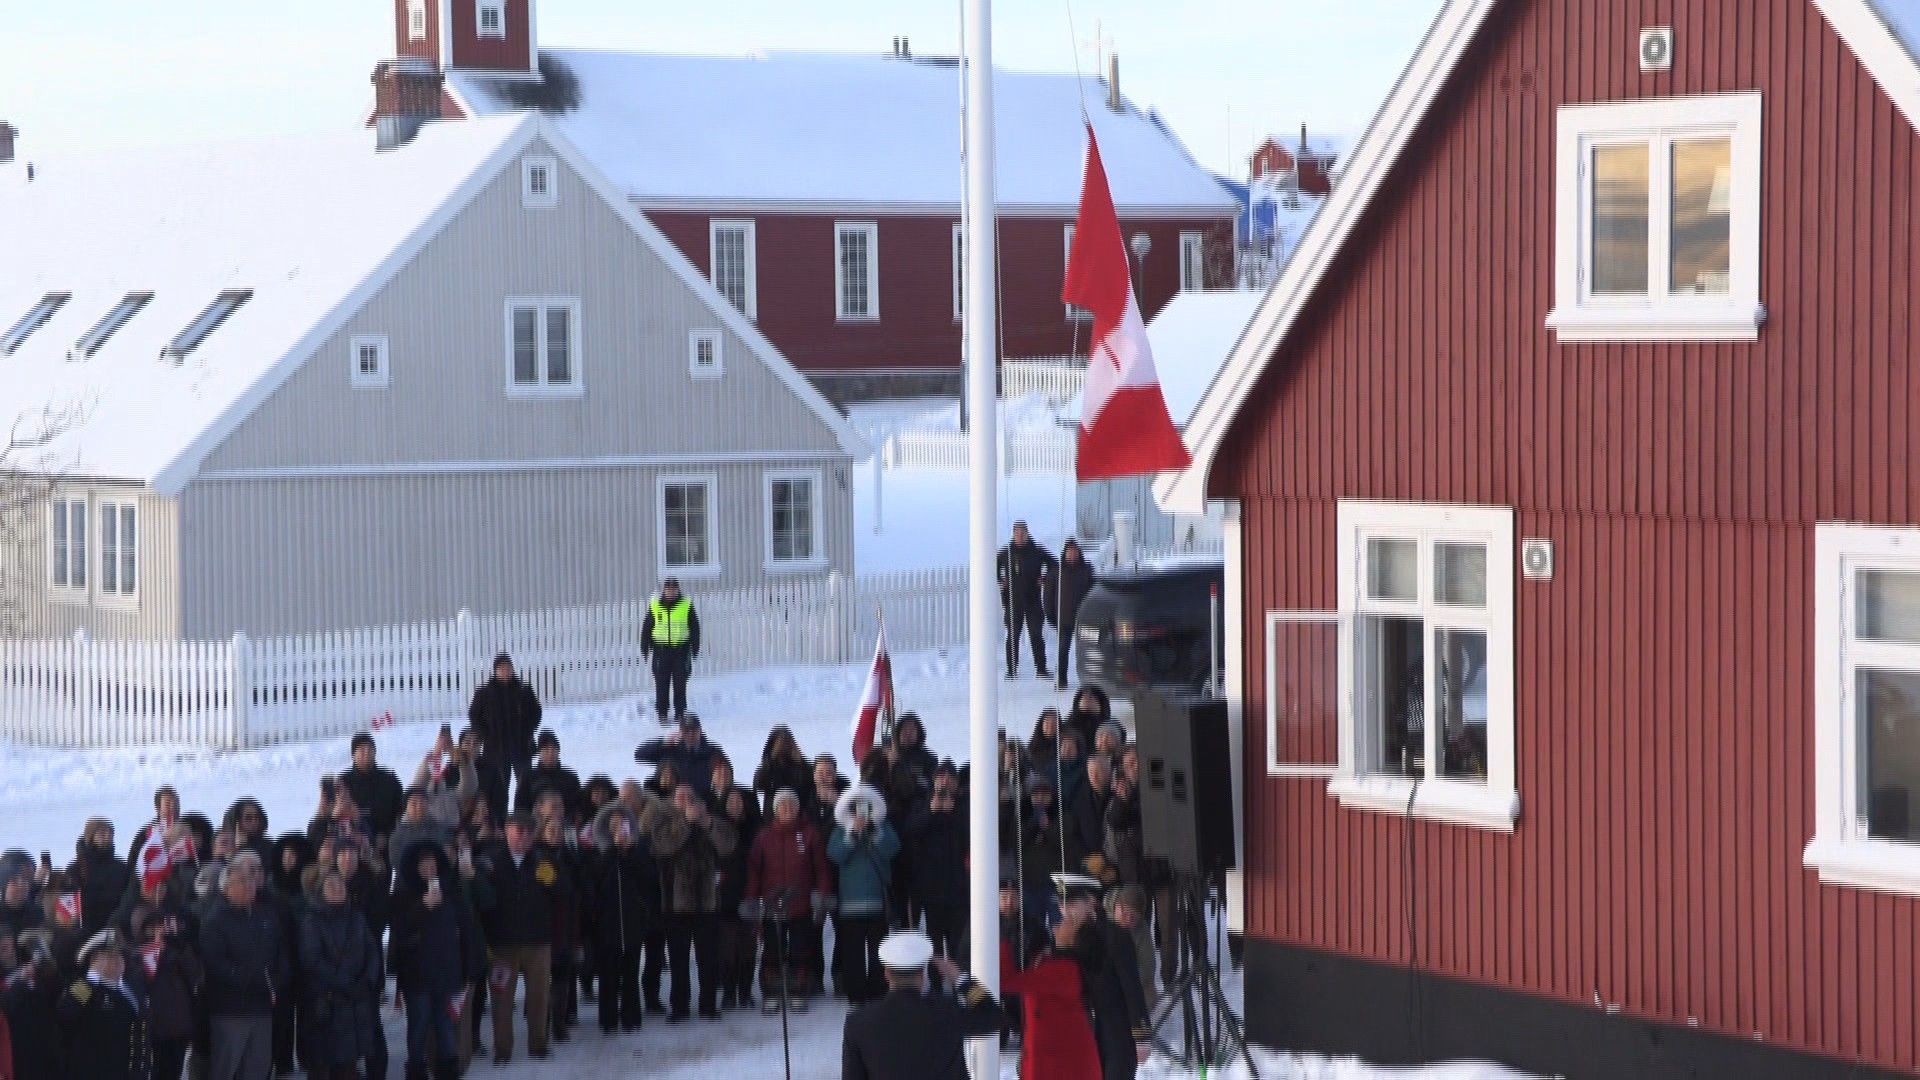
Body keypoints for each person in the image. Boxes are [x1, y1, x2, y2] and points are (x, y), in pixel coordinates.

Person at [840, 930, 1003, 1080]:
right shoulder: (947, 1011)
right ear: (923, 974)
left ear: (886, 973)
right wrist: (961, 979)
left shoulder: (859, 1022)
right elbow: (993, 1017)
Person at [475, 812, 567, 1064]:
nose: (524, 836)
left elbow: (565, 895)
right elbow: (480, 901)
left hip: (537, 943)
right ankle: (502, 1050)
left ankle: (538, 1045)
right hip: (502, 946)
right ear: (507, 831)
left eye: (528, 831)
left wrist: (554, 881)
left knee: (539, 998)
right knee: (501, 1000)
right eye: (519, 830)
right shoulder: (489, 861)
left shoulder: (542, 860)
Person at [387, 843, 481, 1080]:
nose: (429, 867)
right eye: (423, 864)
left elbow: (467, 932)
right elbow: (399, 933)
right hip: (417, 975)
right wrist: (422, 907)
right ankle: (416, 1070)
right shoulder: (402, 895)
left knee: (446, 1026)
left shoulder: (452, 891)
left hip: (448, 972)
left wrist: (470, 968)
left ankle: (447, 1069)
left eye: (432, 863)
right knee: (418, 1026)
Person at [1000, 875, 1104, 1080]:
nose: (1060, 921)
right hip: (1051, 1057)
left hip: (1057, 1062)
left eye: (1068, 922)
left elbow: (1008, 982)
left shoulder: (1063, 970)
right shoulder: (1057, 961)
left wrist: (1002, 939)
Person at [648, 783, 736, 1022]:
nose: (685, 800)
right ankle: (679, 1007)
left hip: (707, 900)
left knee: (708, 957)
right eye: (680, 796)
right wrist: (685, 822)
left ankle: (708, 1005)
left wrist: (707, 824)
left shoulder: (708, 820)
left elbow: (728, 847)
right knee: (678, 958)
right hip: (675, 901)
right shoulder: (663, 819)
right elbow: (663, 847)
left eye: (690, 796)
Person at [199, 854, 286, 1080]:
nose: (250, 886)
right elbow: (216, 964)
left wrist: (277, 978)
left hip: (262, 1007)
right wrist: (252, 979)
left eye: (251, 881)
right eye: (242, 882)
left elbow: (279, 952)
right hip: (231, 1010)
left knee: (258, 1067)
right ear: (226, 888)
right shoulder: (215, 920)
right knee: (227, 1068)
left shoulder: (265, 916)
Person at [744, 788, 831, 1009]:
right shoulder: (764, 836)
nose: (788, 809)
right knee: (773, 951)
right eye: (783, 805)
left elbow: (821, 868)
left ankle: (798, 990)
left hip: (801, 904)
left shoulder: (810, 833)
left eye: (792, 805)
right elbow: (754, 869)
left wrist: (822, 893)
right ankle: (771, 992)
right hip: (773, 905)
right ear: (775, 810)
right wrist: (752, 899)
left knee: (800, 950)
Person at [298, 871, 382, 1080]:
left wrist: (368, 979)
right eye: (331, 886)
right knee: (325, 1061)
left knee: (350, 1061)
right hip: (327, 1001)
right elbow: (312, 960)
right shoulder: (312, 921)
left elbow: (372, 951)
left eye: (340, 885)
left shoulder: (357, 917)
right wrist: (344, 982)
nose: (337, 888)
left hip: (357, 1000)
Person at [826, 783, 898, 1006]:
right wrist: (851, 835)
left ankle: (877, 991)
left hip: (877, 903)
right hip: (850, 904)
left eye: (866, 806)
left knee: (879, 952)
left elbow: (893, 849)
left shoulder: (882, 826)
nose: (861, 811)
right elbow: (835, 855)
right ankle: (855, 994)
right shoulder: (841, 828)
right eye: (857, 806)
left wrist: (875, 833)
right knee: (852, 954)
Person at [587, 801, 655, 1035]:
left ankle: (631, 1017)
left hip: (633, 921)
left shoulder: (639, 851)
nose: (618, 829)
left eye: (622, 824)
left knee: (631, 973)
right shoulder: (598, 851)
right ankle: (608, 1020)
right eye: (613, 824)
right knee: (608, 975)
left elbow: (648, 878)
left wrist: (629, 853)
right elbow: (594, 879)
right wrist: (612, 851)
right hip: (607, 923)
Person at [58, 928, 151, 1080]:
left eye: (120, 956)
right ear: (94, 960)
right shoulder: (82, 987)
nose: (119, 961)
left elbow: (140, 1033)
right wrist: (91, 980)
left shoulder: (129, 991)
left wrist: (139, 1071)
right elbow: (66, 1013)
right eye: (111, 957)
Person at [126, 903, 202, 1080]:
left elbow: (196, 976)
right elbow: (137, 984)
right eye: (151, 927)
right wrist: (154, 952)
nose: (157, 931)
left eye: (159, 925)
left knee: (174, 1071)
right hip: (153, 1029)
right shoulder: (134, 955)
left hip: (178, 1026)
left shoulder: (176, 951)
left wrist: (180, 950)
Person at [903, 763, 968, 963]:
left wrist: (952, 813)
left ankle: (959, 983)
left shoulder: (966, 804)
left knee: (958, 941)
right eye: (941, 776)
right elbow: (910, 831)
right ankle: (937, 984)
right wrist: (931, 812)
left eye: (950, 777)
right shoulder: (922, 802)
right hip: (931, 886)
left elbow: (969, 835)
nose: (945, 781)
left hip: (958, 885)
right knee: (934, 941)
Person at [708, 761, 760, 1010]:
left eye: (739, 801)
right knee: (727, 948)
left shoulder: (755, 829)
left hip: (750, 891)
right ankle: (729, 992)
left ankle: (745, 991)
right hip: (725, 893)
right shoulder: (717, 829)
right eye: (731, 802)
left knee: (748, 947)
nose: (735, 805)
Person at [467, 654, 542, 815]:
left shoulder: (524, 689)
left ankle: (524, 816)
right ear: (495, 671)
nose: (505, 671)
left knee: (525, 785)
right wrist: (484, 735)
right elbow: (474, 716)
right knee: (499, 786)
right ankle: (500, 818)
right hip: (495, 749)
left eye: (508, 668)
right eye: (501, 669)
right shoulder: (484, 693)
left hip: (521, 748)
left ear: (512, 669)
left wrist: (528, 730)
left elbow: (536, 712)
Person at [997, 521, 1057, 679]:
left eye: (1022, 533)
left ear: (1027, 533)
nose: (1020, 536)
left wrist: (1044, 578)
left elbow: (1055, 565)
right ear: (1013, 534)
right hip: (1013, 602)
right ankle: (1012, 670)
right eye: (1017, 533)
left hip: (1033, 601)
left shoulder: (1037, 551)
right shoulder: (1007, 553)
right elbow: (992, 567)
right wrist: (1001, 580)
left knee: (1036, 636)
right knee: (1012, 637)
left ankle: (1041, 669)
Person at [641, 578, 701, 725]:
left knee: (680, 683)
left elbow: (694, 627)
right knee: (662, 683)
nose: (671, 592)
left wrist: (695, 646)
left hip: (681, 650)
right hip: (661, 651)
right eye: (668, 589)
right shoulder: (655, 606)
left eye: (674, 589)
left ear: (678, 590)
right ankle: (662, 713)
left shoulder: (686, 605)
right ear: (664, 590)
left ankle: (680, 713)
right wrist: (645, 647)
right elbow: (647, 627)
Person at [339, 733, 405, 856]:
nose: (366, 753)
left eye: (370, 749)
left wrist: (388, 835)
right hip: (353, 846)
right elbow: (337, 816)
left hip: (386, 843)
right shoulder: (343, 782)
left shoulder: (389, 779)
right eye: (361, 749)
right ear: (353, 754)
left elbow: (401, 812)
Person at [65, 818, 128, 937]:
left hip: (116, 929)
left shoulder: (121, 867)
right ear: (90, 836)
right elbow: (68, 904)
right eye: (102, 833)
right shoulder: (75, 869)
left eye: (110, 833)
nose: (107, 836)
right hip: (85, 931)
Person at [633, 715, 722, 797]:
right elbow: (639, 755)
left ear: (700, 731)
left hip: (700, 800)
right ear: (680, 732)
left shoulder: (712, 751)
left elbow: (725, 777)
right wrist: (662, 743)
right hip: (670, 801)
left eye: (694, 730)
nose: (690, 734)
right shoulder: (669, 749)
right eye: (686, 730)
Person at [1050, 538, 1097, 689]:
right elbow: (1048, 597)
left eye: (1075, 551)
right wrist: (1051, 617)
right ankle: (1062, 680)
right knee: (1063, 651)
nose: (1072, 554)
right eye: (1069, 552)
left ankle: (1090, 682)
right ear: (1065, 553)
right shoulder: (1056, 571)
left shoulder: (1087, 570)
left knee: (1088, 652)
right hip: (1064, 620)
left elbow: (1095, 593)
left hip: (1086, 620)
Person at [514, 731, 584, 823]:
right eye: (546, 750)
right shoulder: (528, 776)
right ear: (539, 753)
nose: (551, 753)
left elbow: (579, 804)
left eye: (554, 749)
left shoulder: (570, 777)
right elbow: (520, 806)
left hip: (566, 824)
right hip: (536, 825)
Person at [753, 726, 812, 819]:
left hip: (799, 813)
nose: (783, 748)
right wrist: (770, 761)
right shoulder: (768, 765)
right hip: (772, 815)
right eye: (779, 744)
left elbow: (809, 784)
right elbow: (758, 785)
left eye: (786, 744)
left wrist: (801, 763)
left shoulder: (801, 764)